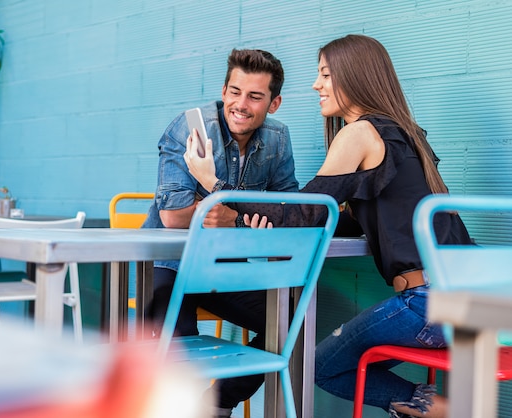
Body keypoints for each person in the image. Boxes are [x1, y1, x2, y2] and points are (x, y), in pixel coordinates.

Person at [185, 34, 472, 418]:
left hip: (432, 304)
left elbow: (307, 212)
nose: (316, 85)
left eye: (324, 74)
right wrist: (257, 217)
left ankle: (449, 411)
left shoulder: (359, 133)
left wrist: (213, 185)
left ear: (355, 76)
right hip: (478, 296)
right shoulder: (407, 133)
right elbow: (336, 217)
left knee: (323, 365)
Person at [142, 48, 300, 417]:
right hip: (170, 265)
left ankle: (216, 403)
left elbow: (288, 212)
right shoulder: (191, 128)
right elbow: (175, 217)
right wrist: (246, 215)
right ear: (224, 89)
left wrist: (233, 216)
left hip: (223, 266)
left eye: (254, 96)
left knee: (292, 316)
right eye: (234, 91)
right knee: (179, 356)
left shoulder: (277, 139)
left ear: (273, 103)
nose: (240, 104)